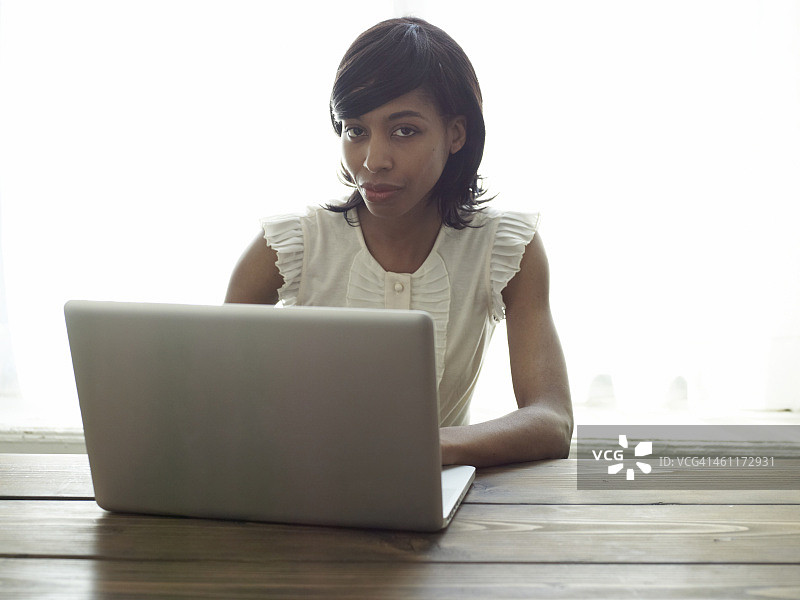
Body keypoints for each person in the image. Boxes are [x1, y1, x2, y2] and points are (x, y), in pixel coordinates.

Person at [225, 17, 572, 467]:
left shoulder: (505, 247)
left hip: (432, 497)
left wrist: (428, 448)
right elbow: (218, 399)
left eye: (404, 130)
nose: (373, 160)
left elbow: (552, 420)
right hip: (296, 491)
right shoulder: (288, 246)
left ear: (456, 134)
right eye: (356, 130)